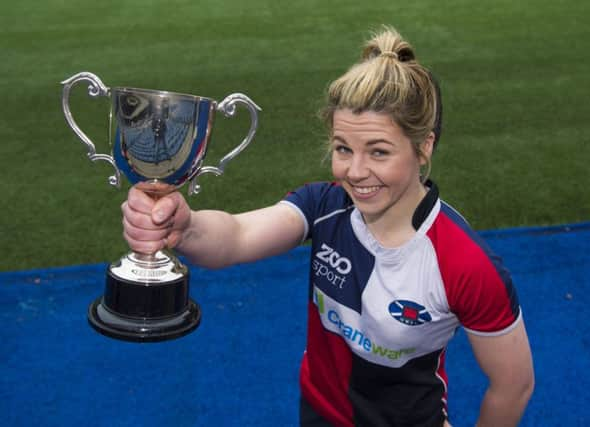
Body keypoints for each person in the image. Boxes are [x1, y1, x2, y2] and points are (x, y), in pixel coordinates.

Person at [122, 26, 534, 427]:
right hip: (319, 414)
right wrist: (185, 226)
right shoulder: (324, 206)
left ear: (424, 146)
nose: (355, 172)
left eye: (379, 151)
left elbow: (513, 386)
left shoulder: (465, 263)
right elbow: (236, 237)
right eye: (343, 148)